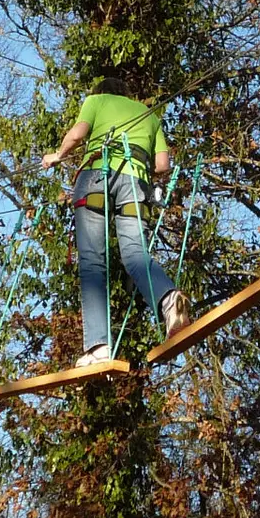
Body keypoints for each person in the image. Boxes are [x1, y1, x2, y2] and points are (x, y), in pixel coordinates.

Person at [41, 76, 191, 367]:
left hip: (96, 178)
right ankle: (169, 299)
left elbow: (77, 134)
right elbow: (162, 165)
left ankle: (98, 346)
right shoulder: (150, 116)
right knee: (135, 254)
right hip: (136, 185)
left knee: (93, 262)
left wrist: (57, 156)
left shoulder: (96, 101)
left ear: (101, 92)